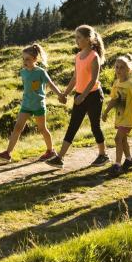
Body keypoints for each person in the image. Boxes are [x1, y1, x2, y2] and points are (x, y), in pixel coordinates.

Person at [48, 25, 109, 167]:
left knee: (95, 126)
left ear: (88, 39)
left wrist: (83, 96)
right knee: (73, 126)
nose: (76, 40)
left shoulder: (94, 57)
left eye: (79, 37)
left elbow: (94, 80)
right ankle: (59, 158)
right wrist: (65, 93)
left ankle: (103, 155)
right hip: (79, 95)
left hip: (93, 96)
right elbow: (75, 78)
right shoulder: (78, 56)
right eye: (75, 37)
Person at [0, 44, 63, 162]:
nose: (25, 62)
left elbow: (50, 84)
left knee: (42, 129)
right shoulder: (23, 72)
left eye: (28, 59)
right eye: (23, 59)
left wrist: (60, 95)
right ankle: (7, 153)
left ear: (35, 59)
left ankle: (50, 151)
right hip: (26, 105)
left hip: (38, 105)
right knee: (17, 128)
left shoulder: (41, 72)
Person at [101, 54, 132, 174]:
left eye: (122, 67)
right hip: (119, 117)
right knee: (123, 140)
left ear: (128, 69)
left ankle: (117, 164)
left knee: (117, 139)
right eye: (117, 67)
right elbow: (114, 99)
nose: (119, 70)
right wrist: (106, 111)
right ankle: (129, 160)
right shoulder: (116, 83)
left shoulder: (130, 85)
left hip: (128, 118)